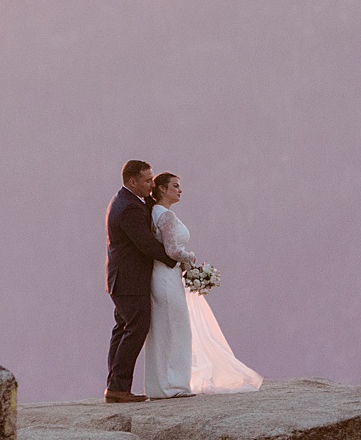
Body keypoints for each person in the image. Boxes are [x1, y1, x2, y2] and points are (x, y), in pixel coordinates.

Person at [134, 170, 261, 398]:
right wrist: (190, 258)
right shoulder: (166, 216)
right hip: (166, 277)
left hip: (161, 275)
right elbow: (171, 250)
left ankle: (161, 384)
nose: (180, 190)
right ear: (162, 189)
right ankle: (174, 385)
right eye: (175, 186)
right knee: (178, 328)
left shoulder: (154, 212)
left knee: (163, 330)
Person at [103, 158, 175, 402]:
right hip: (129, 281)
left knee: (123, 329)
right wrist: (174, 260)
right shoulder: (129, 207)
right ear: (132, 181)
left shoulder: (125, 200)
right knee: (136, 328)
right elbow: (144, 243)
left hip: (121, 280)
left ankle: (115, 385)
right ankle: (118, 388)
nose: (151, 184)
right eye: (146, 180)